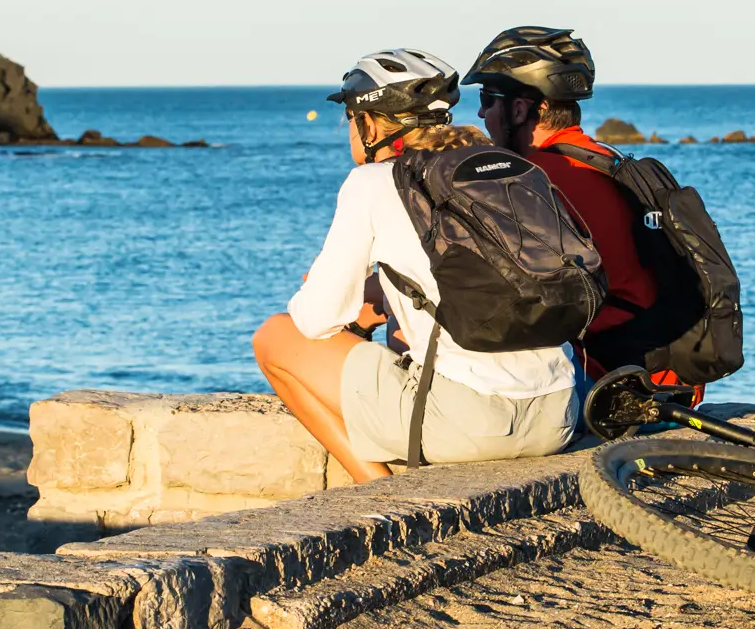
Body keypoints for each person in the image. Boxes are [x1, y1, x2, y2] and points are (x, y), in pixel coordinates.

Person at [252, 48, 579, 483]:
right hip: (559, 413)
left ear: (368, 124)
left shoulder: (372, 181)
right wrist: (376, 292)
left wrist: (330, 289)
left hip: (472, 426)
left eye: (349, 120)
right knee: (386, 309)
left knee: (276, 336)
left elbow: (314, 322)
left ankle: (376, 492)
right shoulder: (504, 170)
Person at [464, 26, 683, 387]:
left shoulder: (533, 182)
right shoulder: (606, 162)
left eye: (488, 98)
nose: (480, 113)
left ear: (519, 108)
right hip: (666, 373)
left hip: (605, 380)